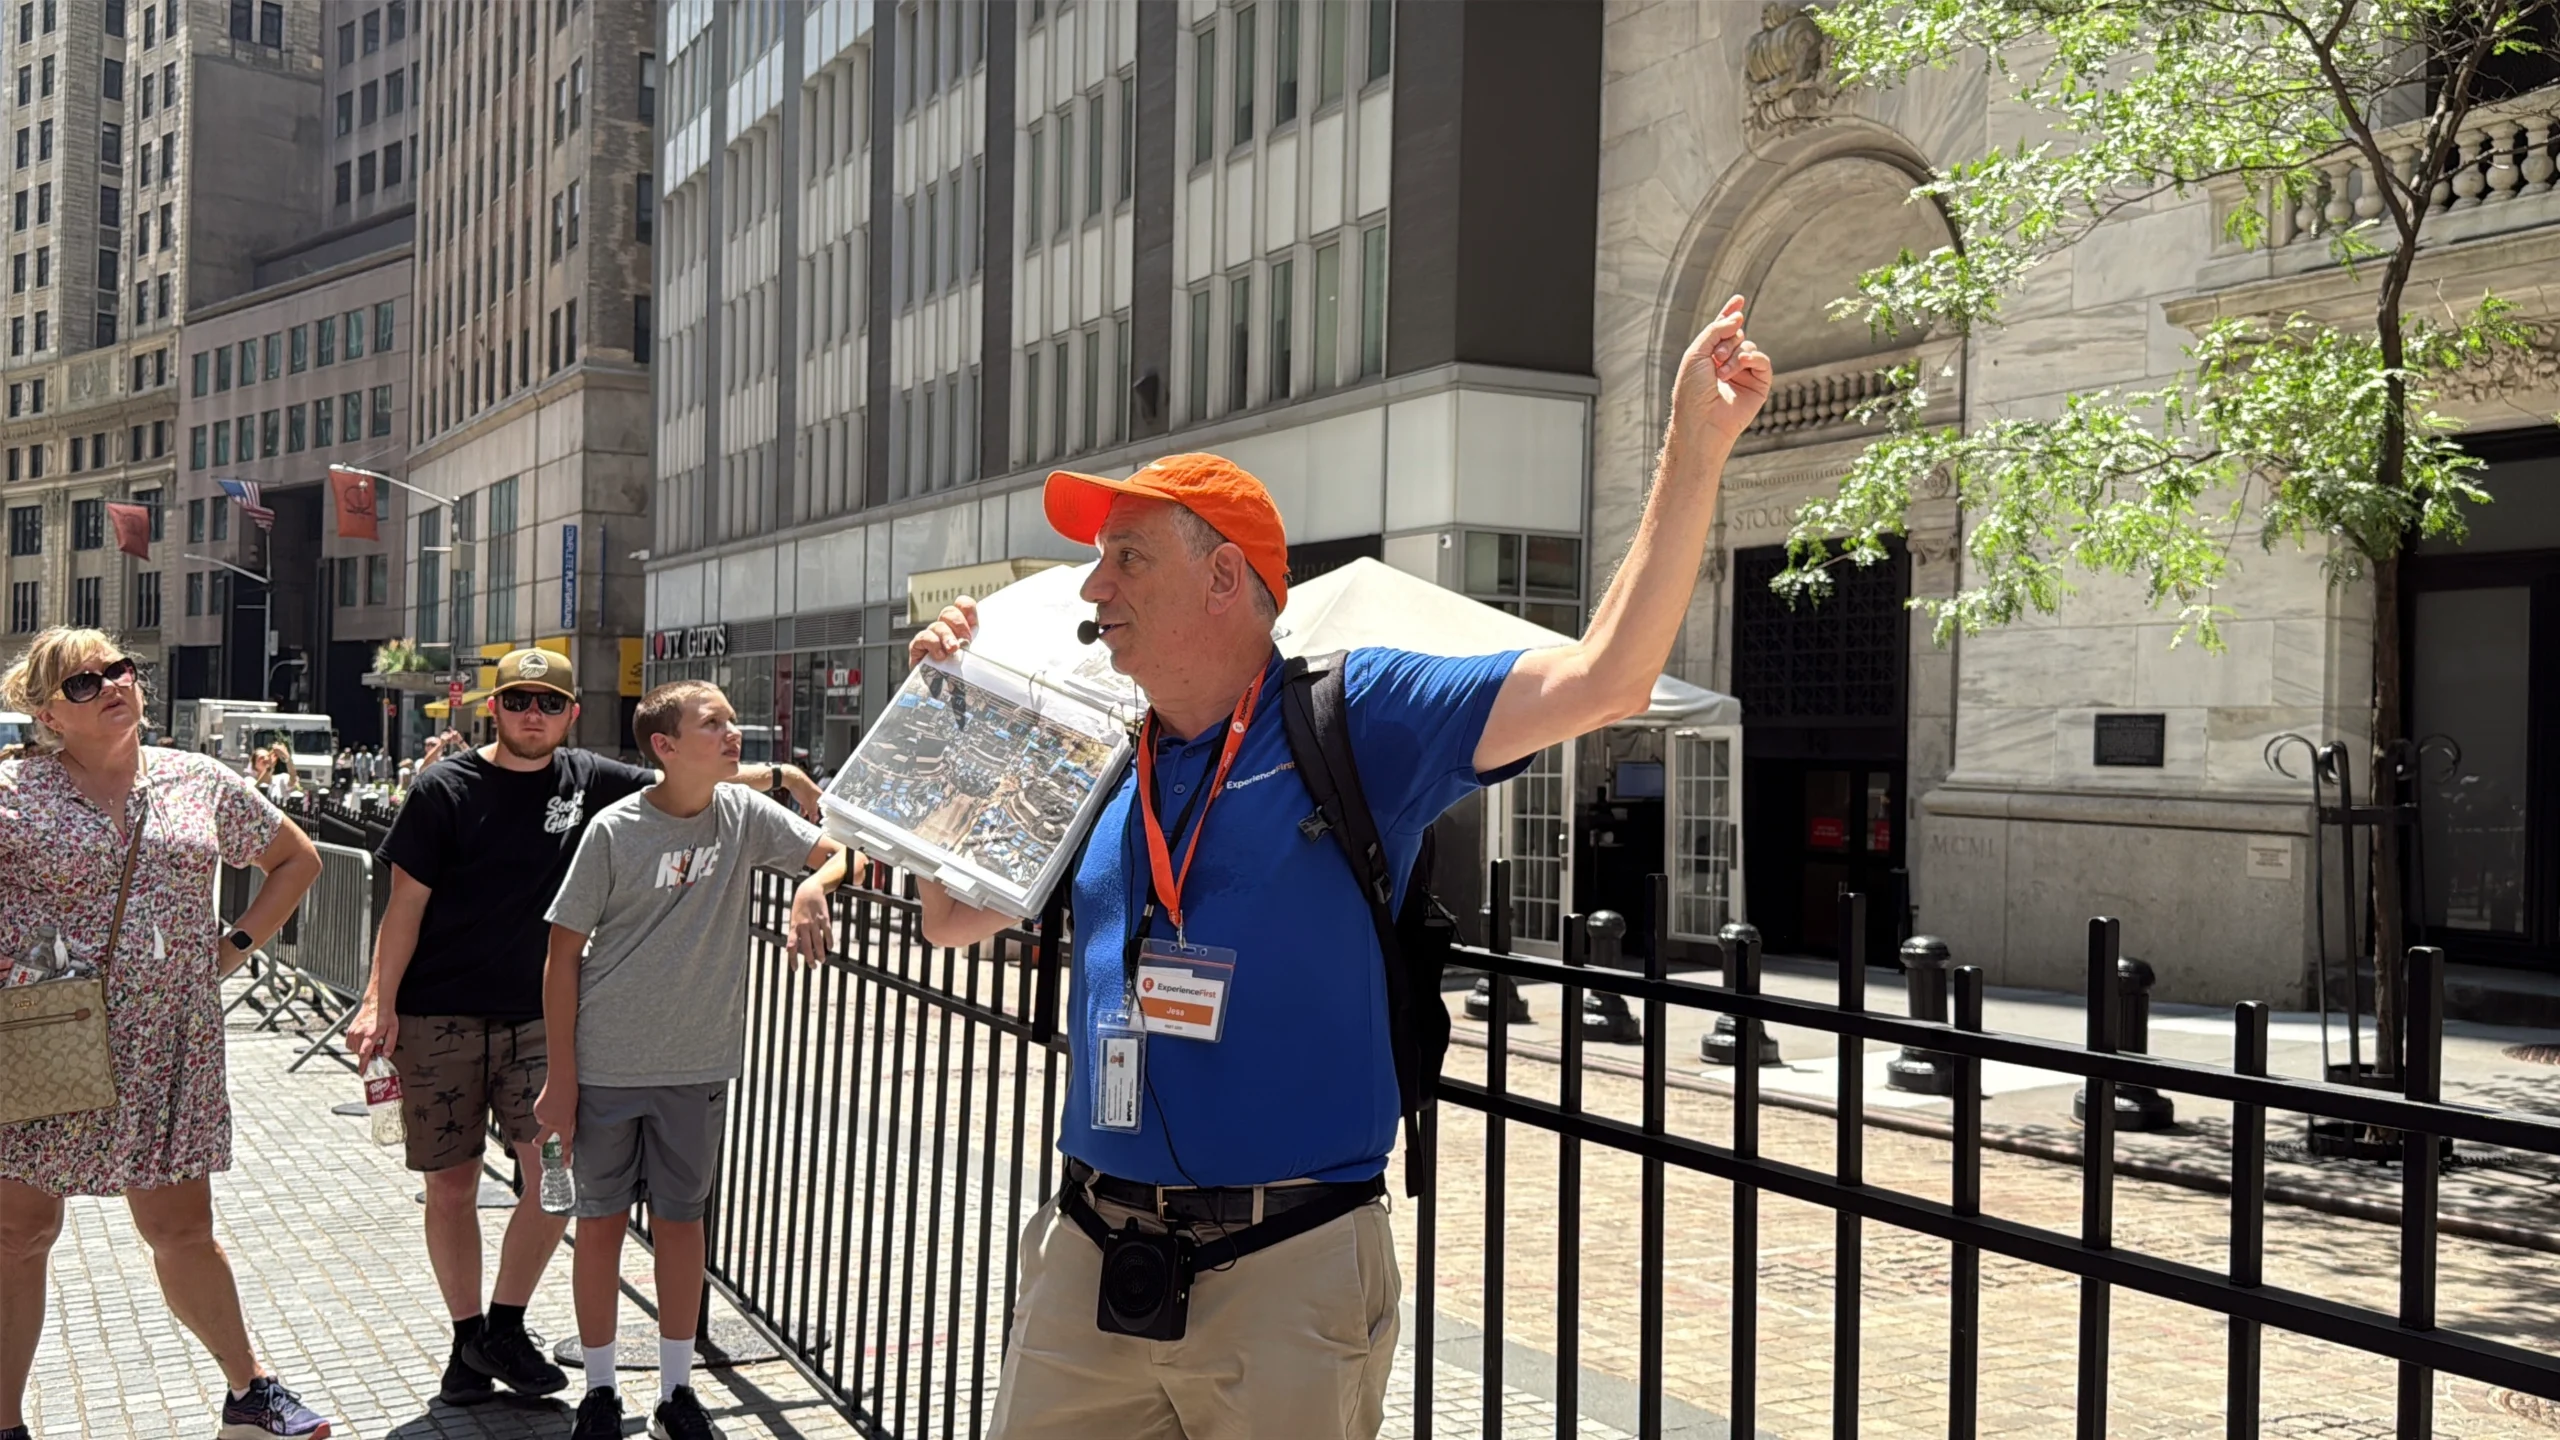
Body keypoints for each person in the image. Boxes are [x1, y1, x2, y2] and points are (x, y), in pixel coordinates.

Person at [910, 299, 1770, 1439]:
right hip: (1092, 1258)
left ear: (1224, 578)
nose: (1092, 589)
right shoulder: (1098, 745)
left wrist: (1694, 447)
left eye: (1126, 558)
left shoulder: (1358, 712)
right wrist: (953, 716)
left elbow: (1606, 679)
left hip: (1286, 1268)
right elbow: (947, 916)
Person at [343, 649, 824, 1411]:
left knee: (552, 1181)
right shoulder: (445, 787)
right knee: (453, 1185)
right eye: (518, 700)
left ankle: (505, 1324)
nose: (532, 714)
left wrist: (785, 777)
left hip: (544, 1018)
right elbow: (403, 904)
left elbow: (689, 774)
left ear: (571, 714)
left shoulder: (589, 779)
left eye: (549, 702)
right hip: (440, 1012)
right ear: (494, 709)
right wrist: (379, 1000)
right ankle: (468, 1339)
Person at [0, 628, 336, 1439]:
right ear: (48, 714)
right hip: (44, 1036)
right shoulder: (13, 790)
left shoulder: (198, 780)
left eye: (119, 670)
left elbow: (297, 860)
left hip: (168, 1042)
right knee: (19, 1232)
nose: (114, 685)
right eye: (84, 683)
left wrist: (230, 950)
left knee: (181, 1229)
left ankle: (250, 1394)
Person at [533, 681, 847, 1440]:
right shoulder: (613, 831)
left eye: (733, 720)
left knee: (682, 1224)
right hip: (607, 1066)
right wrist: (561, 1080)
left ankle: (677, 1391)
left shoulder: (741, 814)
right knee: (600, 1226)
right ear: (666, 746)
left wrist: (813, 885)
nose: (733, 732)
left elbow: (846, 852)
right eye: (714, 723)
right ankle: (600, 1393)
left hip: (697, 1065)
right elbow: (561, 956)